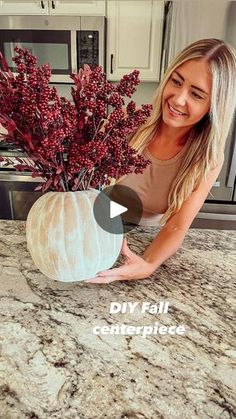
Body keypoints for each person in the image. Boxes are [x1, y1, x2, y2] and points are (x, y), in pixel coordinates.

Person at [86, 38, 236, 284]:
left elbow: (176, 227)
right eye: (176, 82)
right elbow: (84, 187)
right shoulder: (128, 121)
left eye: (196, 94)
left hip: (148, 239)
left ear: (214, 106)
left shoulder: (207, 159)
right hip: (94, 229)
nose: (178, 99)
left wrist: (147, 265)